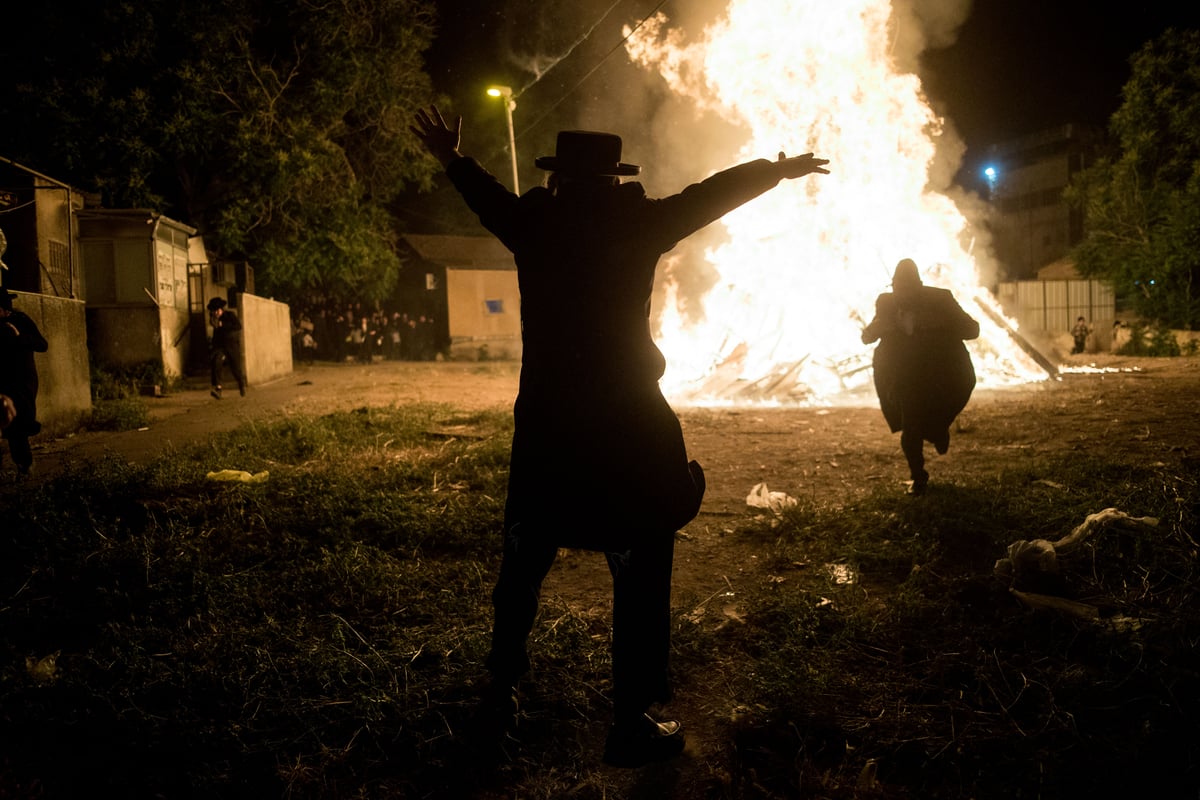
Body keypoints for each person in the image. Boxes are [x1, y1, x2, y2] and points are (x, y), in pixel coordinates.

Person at [411, 106, 830, 767]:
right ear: (613, 179)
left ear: (559, 177)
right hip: (627, 420)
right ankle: (630, 720)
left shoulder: (534, 224)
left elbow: (482, 195)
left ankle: (500, 690)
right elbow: (710, 197)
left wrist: (451, 156)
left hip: (549, 419)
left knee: (523, 557)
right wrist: (774, 171)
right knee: (640, 565)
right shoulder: (638, 223)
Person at [861, 259, 979, 496]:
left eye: (907, 288)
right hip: (904, 376)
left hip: (941, 374)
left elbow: (972, 329)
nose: (901, 294)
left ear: (919, 286)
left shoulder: (940, 299)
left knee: (944, 407)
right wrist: (880, 328)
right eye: (896, 287)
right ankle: (918, 478)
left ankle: (938, 429)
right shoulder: (887, 303)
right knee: (911, 427)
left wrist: (939, 324)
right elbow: (867, 336)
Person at [0, 289, 49, 478]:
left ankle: (24, 465)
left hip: (22, 381)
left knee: (18, 425)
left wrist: (18, 338)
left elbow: (42, 345)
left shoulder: (20, 320)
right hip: (3, 381)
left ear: (4, 309)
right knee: (10, 425)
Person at [207, 296, 246, 399]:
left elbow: (238, 326)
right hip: (220, 347)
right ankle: (218, 389)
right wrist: (213, 348)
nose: (216, 313)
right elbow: (216, 336)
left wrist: (223, 325)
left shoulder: (230, 315)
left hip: (232, 346)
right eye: (214, 311)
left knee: (235, 368)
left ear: (221, 309)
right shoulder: (214, 320)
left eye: (217, 311)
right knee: (216, 362)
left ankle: (241, 384)